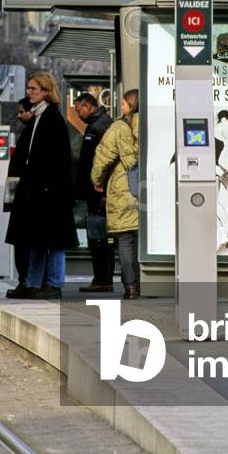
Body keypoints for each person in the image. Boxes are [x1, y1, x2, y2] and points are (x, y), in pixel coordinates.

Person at [5, 72, 78, 299]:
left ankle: (53, 285)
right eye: (28, 88)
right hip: (37, 191)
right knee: (36, 239)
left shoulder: (52, 119)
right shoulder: (38, 117)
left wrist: (47, 187)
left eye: (33, 88)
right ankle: (33, 283)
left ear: (46, 91)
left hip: (49, 192)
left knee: (53, 241)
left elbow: (57, 159)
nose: (28, 92)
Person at [91, 89, 141, 300]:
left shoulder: (119, 127)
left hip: (124, 189)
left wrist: (97, 180)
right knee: (145, 240)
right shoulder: (153, 124)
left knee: (126, 240)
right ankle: (150, 283)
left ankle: (131, 287)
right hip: (150, 189)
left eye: (123, 104)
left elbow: (102, 158)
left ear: (131, 105)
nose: (120, 107)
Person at [73, 92, 114, 292]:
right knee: (101, 237)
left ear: (88, 105)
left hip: (97, 192)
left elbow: (99, 162)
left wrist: (101, 190)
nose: (78, 114)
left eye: (78, 109)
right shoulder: (101, 124)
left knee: (98, 237)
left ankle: (102, 279)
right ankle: (103, 278)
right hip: (97, 191)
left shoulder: (98, 127)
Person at [4, 97, 36, 298]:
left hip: (24, 197)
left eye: (22, 111)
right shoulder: (30, 132)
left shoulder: (32, 133)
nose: (18, 115)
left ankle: (26, 281)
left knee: (23, 244)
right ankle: (26, 280)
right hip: (22, 195)